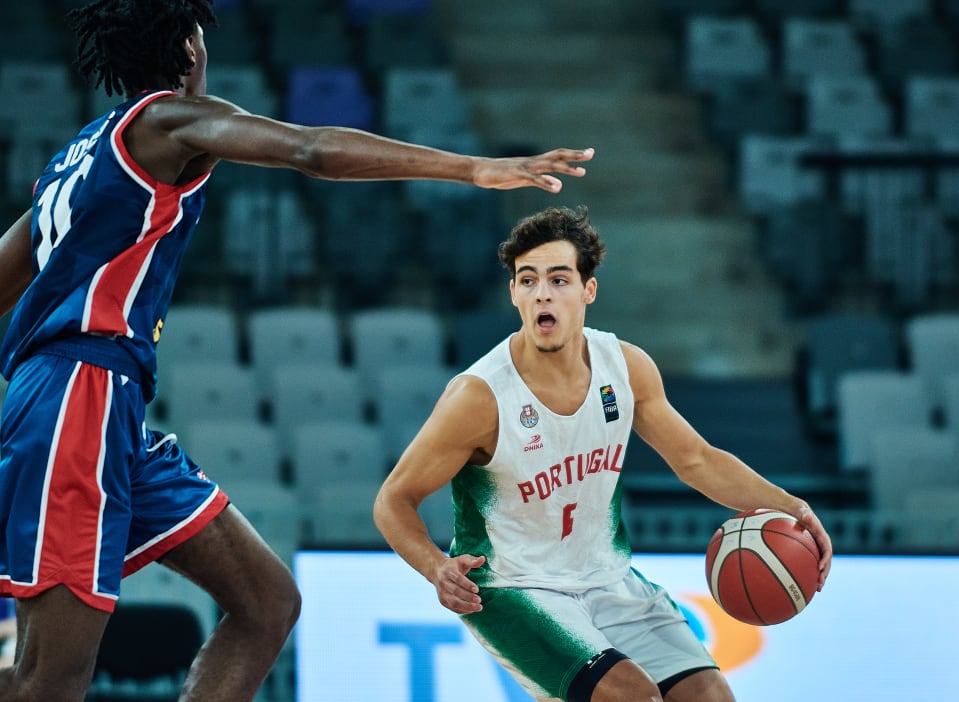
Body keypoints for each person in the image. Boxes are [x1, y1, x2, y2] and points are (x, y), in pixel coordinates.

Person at [0, 0, 593, 699]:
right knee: (49, 682)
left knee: (266, 603)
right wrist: (472, 168)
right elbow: (309, 149)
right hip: (79, 395)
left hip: (100, 404)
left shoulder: (74, 159)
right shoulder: (166, 119)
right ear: (188, 50)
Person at [373, 205, 833, 702]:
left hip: (609, 580)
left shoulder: (625, 368)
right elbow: (393, 501)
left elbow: (697, 460)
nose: (542, 293)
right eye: (527, 281)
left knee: (710, 697)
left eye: (558, 279)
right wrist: (435, 566)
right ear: (514, 294)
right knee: (633, 697)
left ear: (588, 290)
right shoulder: (479, 397)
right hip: (513, 588)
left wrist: (793, 507)